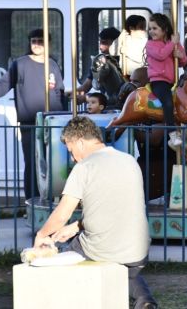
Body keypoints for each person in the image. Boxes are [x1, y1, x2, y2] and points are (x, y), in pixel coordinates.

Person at [33, 117, 158, 309]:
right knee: (124, 270)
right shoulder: (129, 160)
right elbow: (113, 207)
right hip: (138, 251)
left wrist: (42, 235)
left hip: (103, 249)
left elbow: (61, 214)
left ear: (80, 142)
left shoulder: (84, 167)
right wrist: (76, 226)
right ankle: (145, 301)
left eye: (71, 150)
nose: (73, 158)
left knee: (66, 257)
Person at [0, 28, 65, 200]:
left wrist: (68, 110)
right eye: (33, 41)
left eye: (40, 41)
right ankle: (32, 201)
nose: (36, 44)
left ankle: (53, 199)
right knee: (32, 163)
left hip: (53, 122)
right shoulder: (20, 64)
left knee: (55, 162)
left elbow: (59, 91)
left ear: (48, 43)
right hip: (30, 122)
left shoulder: (52, 64)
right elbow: (3, 86)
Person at [146, 13, 187, 140]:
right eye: (150, 28)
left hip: (172, 81)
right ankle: (172, 133)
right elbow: (161, 55)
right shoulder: (150, 45)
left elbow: (183, 61)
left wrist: (180, 56)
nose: (151, 31)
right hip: (158, 81)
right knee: (168, 103)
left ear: (165, 30)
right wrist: (172, 43)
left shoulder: (173, 43)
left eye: (155, 28)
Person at [75, 27, 122, 96]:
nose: (100, 47)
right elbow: (87, 86)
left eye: (104, 43)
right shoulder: (100, 61)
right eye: (100, 42)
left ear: (115, 43)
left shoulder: (124, 61)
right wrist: (73, 94)